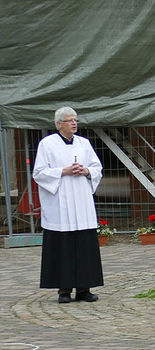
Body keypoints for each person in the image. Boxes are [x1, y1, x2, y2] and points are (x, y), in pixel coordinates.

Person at [33, 107, 104, 303]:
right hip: (60, 203)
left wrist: (86, 170)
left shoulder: (84, 143)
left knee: (83, 246)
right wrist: (62, 171)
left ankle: (84, 289)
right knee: (62, 247)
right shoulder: (47, 144)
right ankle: (63, 291)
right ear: (59, 124)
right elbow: (39, 173)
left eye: (75, 120)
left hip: (81, 202)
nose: (74, 123)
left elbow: (97, 167)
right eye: (69, 120)